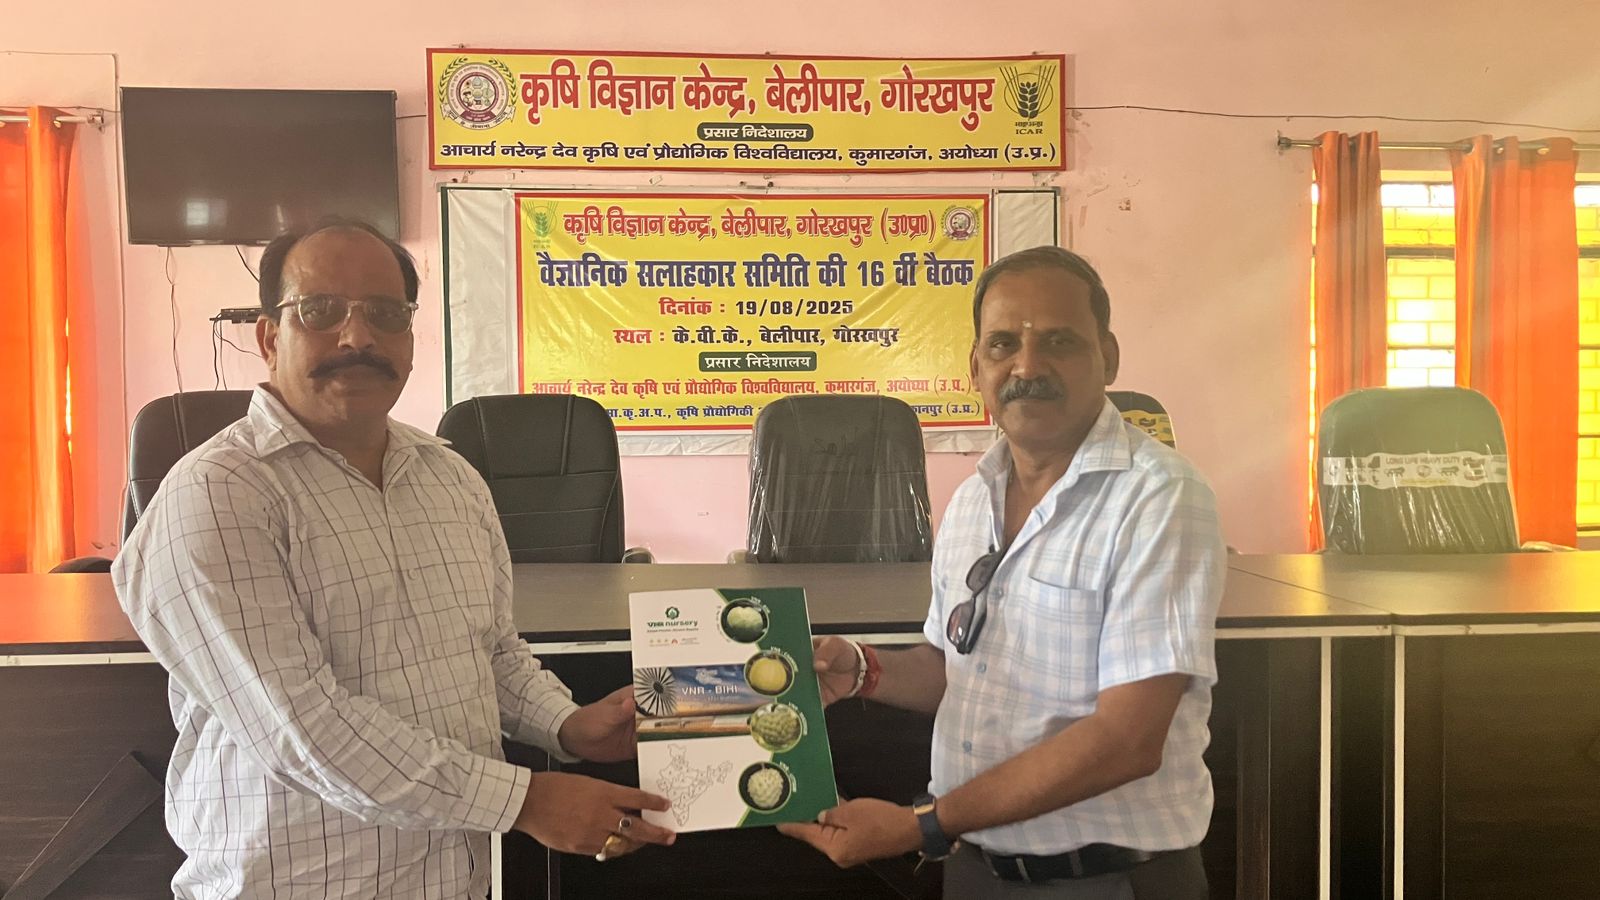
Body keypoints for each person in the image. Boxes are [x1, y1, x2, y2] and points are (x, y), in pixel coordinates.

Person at [113, 219, 673, 899]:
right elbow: (301, 729)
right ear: (269, 337)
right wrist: (525, 801)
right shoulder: (217, 494)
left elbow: (489, 653)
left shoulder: (450, 477)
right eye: (320, 310)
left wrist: (568, 724)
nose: (357, 337)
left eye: (385, 313)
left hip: (455, 878)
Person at [780, 246, 1224, 898]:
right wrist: (864, 670)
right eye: (1003, 344)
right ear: (975, 367)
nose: (1027, 366)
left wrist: (924, 824)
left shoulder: (1157, 497)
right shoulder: (972, 500)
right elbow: (958, 669)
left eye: (1059, 342)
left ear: (1108, 356)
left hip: (1105, 880)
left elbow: (1128, 738)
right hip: (975, 866)